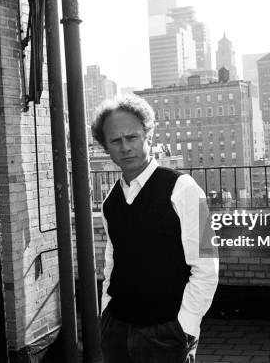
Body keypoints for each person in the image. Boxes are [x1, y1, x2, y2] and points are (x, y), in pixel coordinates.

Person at [91, 94, 219, 363]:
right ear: (106, 147)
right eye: (116, 140)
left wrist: (186, 326)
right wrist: (106, 313)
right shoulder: (110, 201)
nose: (125, 147)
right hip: (116, 329)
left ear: (148, 136)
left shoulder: (185, 188)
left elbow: (207, 262)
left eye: (132, 137)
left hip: (166, 333)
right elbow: (111, 262)